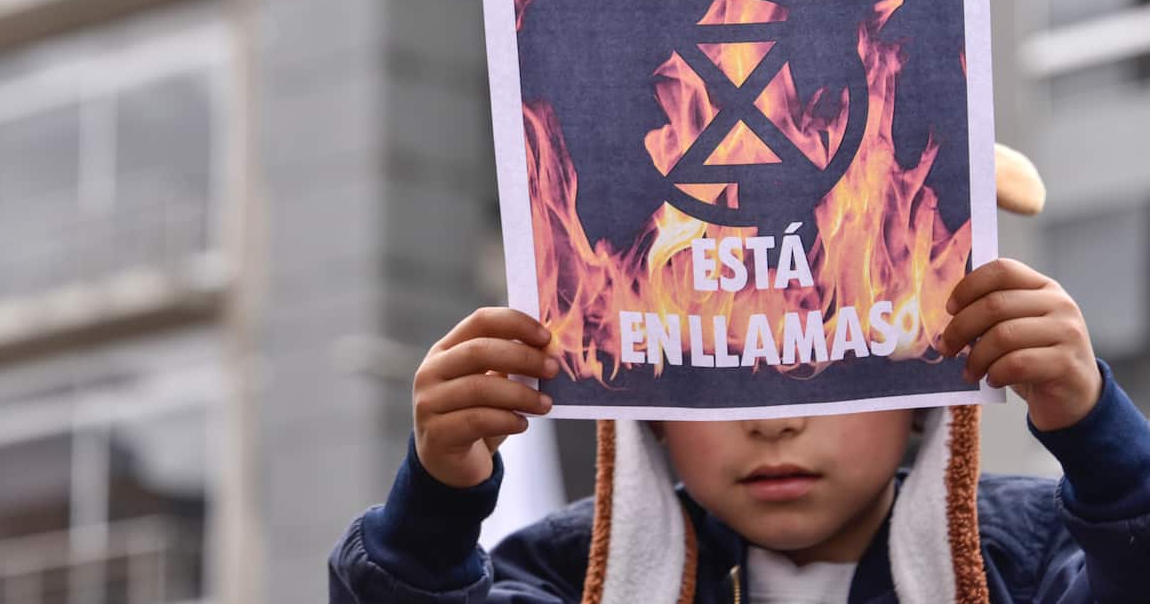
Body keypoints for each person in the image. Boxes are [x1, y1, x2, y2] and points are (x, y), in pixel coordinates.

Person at [329, 162, 1150, 603]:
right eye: (722, 366)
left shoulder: (1037, 554)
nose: (773, 423)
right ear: (645, 412)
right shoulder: (562, 572)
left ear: (924, 385)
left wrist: (1099, 433)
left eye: (825, 362)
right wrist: (435, 505)